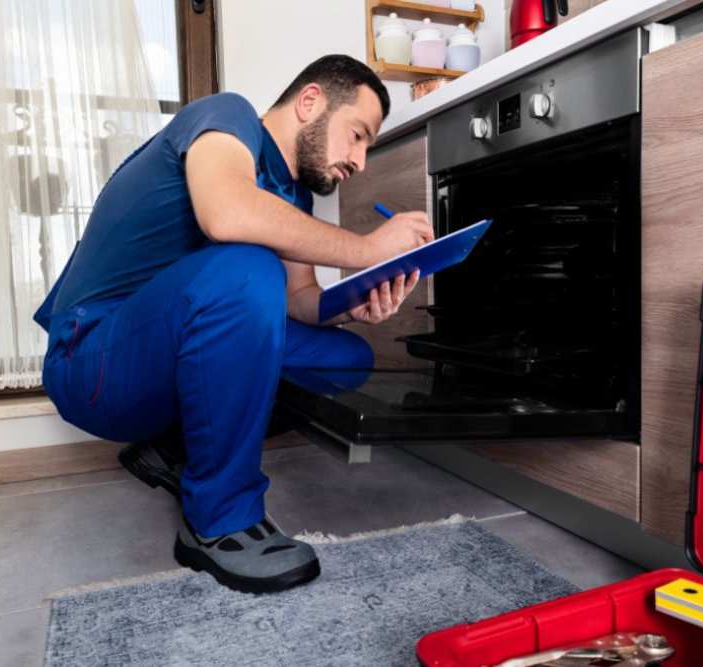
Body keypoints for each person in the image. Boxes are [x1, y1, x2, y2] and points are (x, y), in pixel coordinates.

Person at [33, 54, 434, 594]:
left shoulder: (291, 197)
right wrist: (364, 249)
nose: (360, 161)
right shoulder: (226, 118)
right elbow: (225, 214)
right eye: (357, 135)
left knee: (346, 357)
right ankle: (219, 521)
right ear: (310, 101)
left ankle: (173, 451)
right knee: (247, 266)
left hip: (162, 349)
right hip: (92, 359)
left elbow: (302, 303)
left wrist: (356, 301)